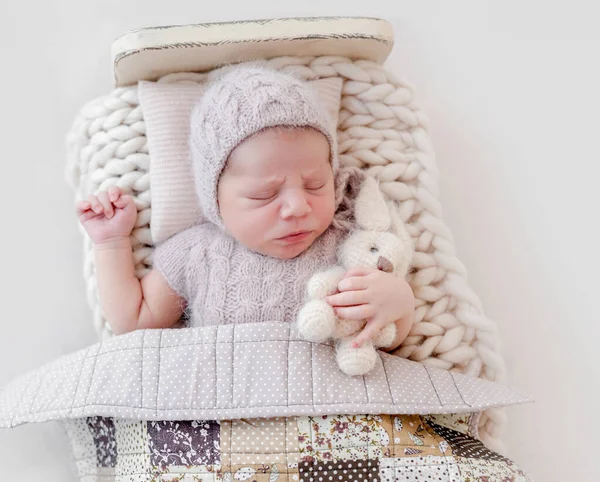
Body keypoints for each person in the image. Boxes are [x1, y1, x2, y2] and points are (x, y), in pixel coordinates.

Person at [76, 65, 415, 351]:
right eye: (264, 195)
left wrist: (398, 302)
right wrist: (111, 242)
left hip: (333, 419)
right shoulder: (198, 253)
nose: (298, 207)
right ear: (215, 200)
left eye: (316, 185)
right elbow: (133, 321)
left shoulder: (347, 242)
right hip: (233, 419)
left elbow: (387, 337)